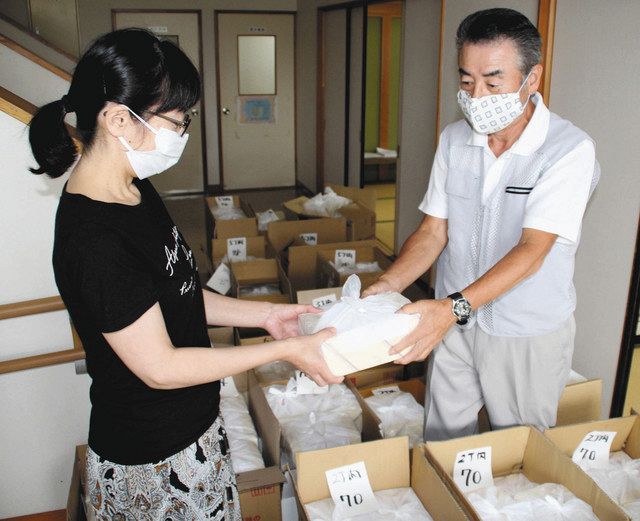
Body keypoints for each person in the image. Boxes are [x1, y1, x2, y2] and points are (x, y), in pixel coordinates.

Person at [28, 28, 340, 520]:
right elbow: (160, 367)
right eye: (177, 120)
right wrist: (283, 351)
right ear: (118, 120)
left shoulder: (133, 188)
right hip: (151, 458)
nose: (183, 133)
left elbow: (181, 290)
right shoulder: (94, 240)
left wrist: (266, 317)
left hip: (194, 428)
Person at [364, 8, 599, 441]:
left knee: (519, 448)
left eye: (493, 82)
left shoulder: (568, 150)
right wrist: (388, 284)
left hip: (523, 329)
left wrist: (451, 308)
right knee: (443, 439)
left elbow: (533, 250)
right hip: (454, 321)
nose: (477, 96)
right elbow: (434, 231)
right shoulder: (455, 139)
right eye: (467, 81)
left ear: (532, 78)